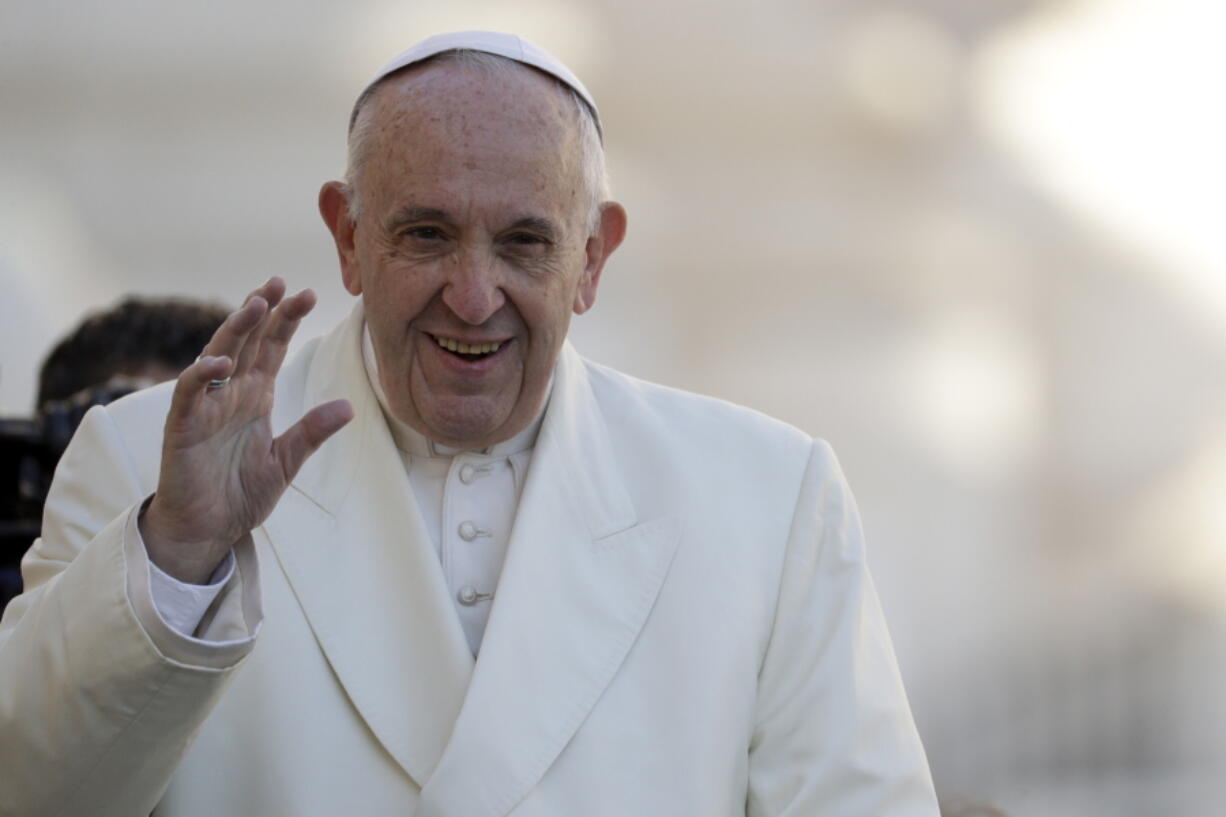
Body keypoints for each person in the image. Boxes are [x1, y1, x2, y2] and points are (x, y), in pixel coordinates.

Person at [0, 31, 939, 817]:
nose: (473, 294)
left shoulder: (768, 500)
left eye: (525, 242)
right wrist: (174, 561)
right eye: (427, 234)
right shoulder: (139, 464)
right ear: (348, 237)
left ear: (594, 256)